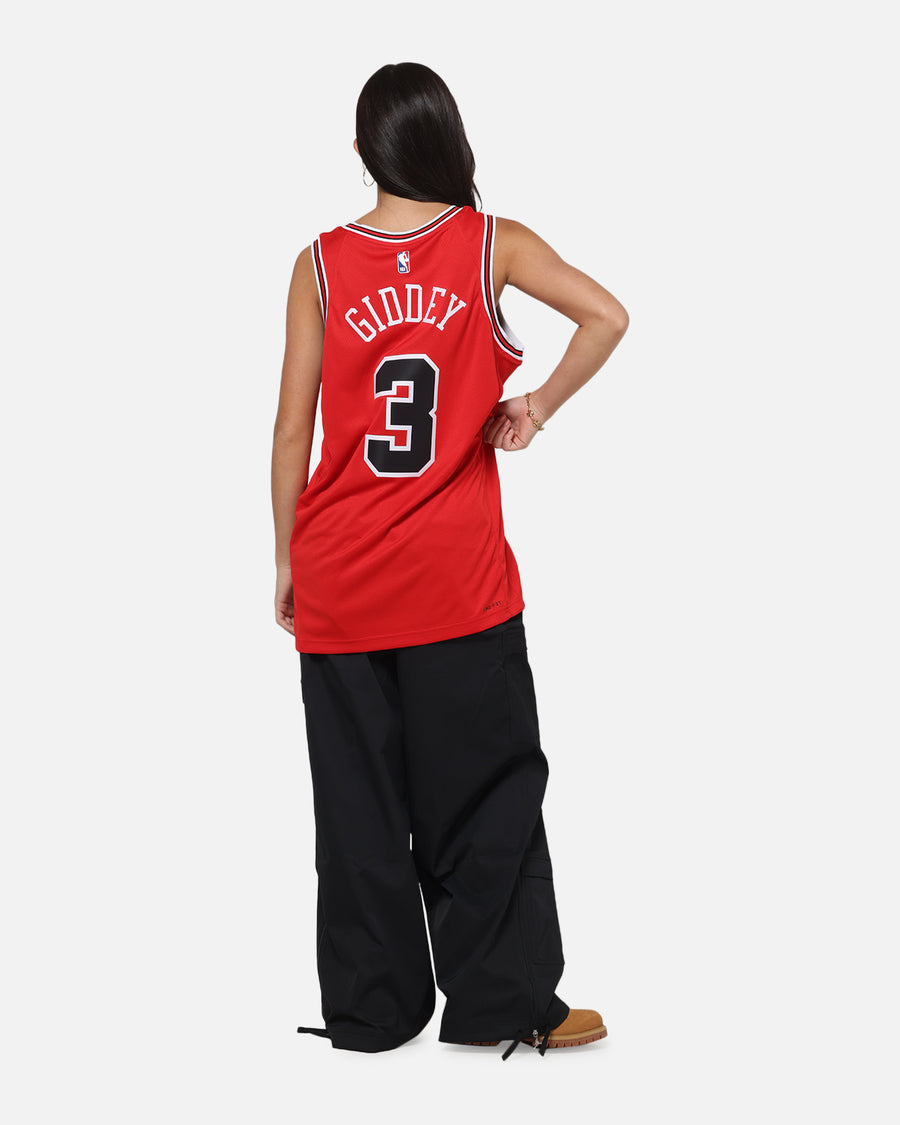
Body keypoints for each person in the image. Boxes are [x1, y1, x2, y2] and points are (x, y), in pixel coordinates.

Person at [271, 62, 628, 1061]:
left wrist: (287, 557)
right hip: (457, 584)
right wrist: (536, 407)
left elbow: (292, 428)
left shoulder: (319, 265)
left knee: (358, 807)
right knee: (487, 792)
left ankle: (372, 1013)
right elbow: (608, 315)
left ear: (362, 150)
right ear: (447, 137)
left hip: (340, 577)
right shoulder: (491, 244)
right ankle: (503, 1004)